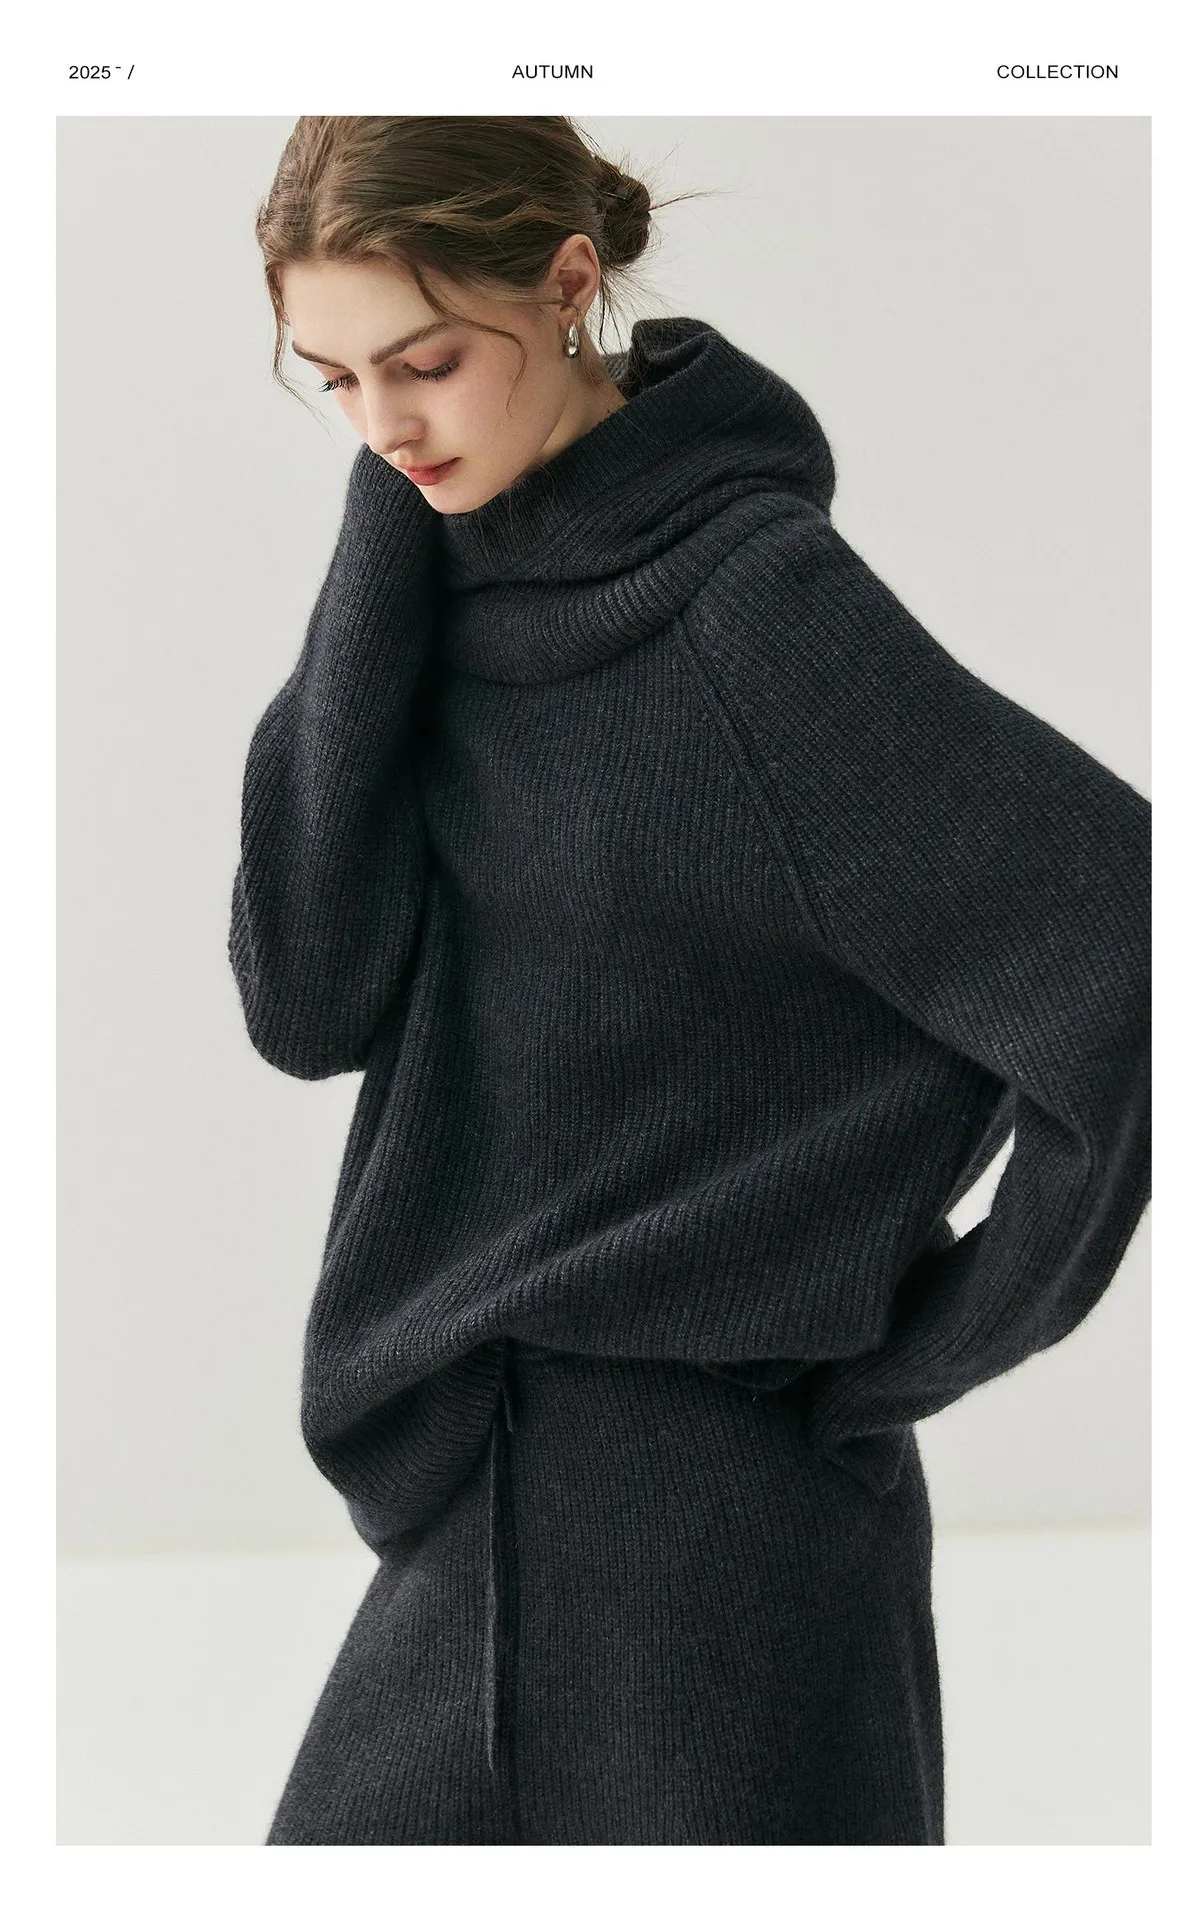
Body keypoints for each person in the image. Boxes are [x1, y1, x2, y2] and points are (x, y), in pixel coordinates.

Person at [228, 116, 1151, 1846]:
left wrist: (901, 1352)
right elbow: (306, 996)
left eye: (425, 362)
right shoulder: (432, 574)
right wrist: (384, 551)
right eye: (334, 380)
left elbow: (1130, 953)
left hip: (713, 1515)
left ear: (569, 284)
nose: (384, 426)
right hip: (483, 1473)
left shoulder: (755, 616)